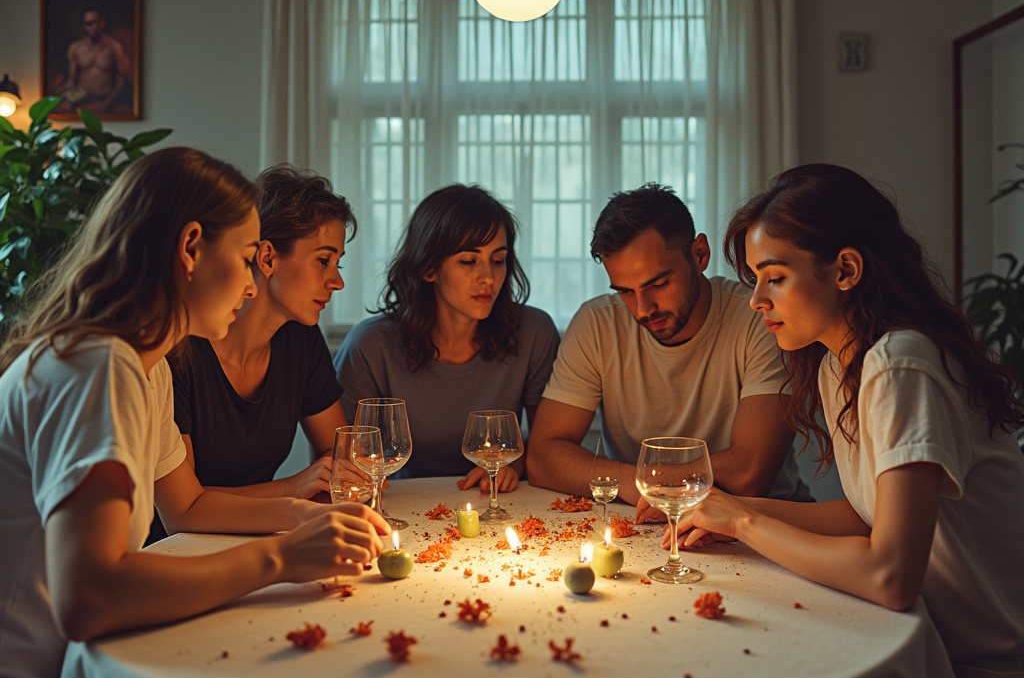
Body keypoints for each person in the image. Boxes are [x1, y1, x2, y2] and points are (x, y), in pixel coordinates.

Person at [0, 148, 388, 678]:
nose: (252, 284)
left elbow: (189, 504)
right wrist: (281, 559)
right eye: (243, 258)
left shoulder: (144, 365)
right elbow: (89, 597)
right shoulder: (98, 366)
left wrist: (301, 522)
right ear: (189, 250)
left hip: (67, 673)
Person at [672, 163, 1024, 678]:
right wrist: (732, 513)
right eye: (755, 279)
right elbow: (866, 518)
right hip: (945, 646)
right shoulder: (841, 362)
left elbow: (889, 576)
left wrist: (741, 517)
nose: (756, 299)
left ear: (846, 270)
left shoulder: (899, 363)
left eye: (774, 277)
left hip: (997, 673)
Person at [527, 183, 810, 511]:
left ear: (699, 254)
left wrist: (646, 483)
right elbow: (543, 458)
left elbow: (749, 473)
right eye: (625, 291)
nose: (642, 309)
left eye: (658, 283)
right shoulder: (597, 322)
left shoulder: (760, 318)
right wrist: (641, 485)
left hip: (769, 524)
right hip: (647, 523)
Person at [334, 184, 559, 493]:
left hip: (501, 501)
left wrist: (514, 465)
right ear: (428, 267)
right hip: (402, 505)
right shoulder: (370, 346)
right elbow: (343, 465)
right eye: (468, 261)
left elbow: (550, 443)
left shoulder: (534, 332)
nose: (488, 277)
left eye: (498, 259)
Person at [170, 165, 354, 505]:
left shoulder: (301, 339)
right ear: (267, 258)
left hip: (262, 532)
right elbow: (182, 507)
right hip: (172, 549)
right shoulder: (179, 352)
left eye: (338, 263)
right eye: (323, 260)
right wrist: (293, 488)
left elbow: (338, 452)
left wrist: (342, 474)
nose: (337, 281)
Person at [58, 7, 132, 114]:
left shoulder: (114, 46)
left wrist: (106, 103)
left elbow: (123, 78)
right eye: (89, 24)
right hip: (82, 96)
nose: (93, 27)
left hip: (106, 97)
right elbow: (72, 79)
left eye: (96, 23)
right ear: (84, 26)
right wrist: (64, 98)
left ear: (102, 23)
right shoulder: (75, 47)